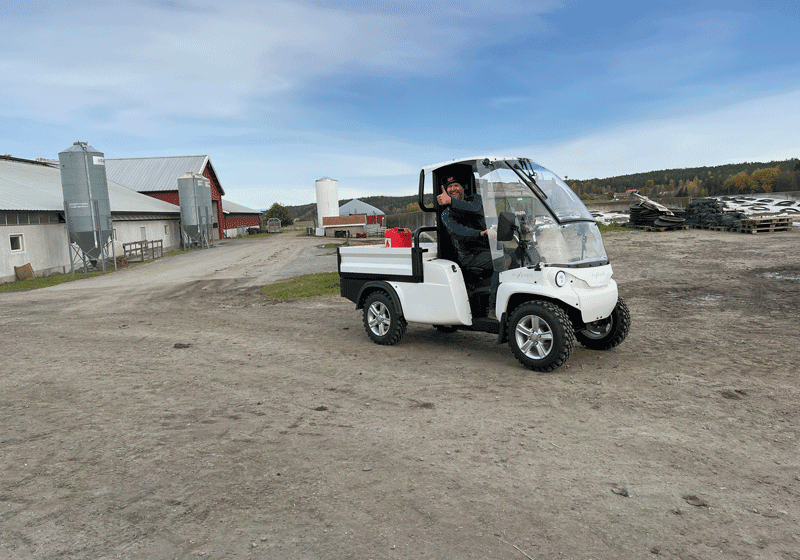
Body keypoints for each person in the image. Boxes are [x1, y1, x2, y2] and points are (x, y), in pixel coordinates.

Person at [437, 175, 499, 320]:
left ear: (462, 187)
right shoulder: (447, 214)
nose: (453, 189)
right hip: (470, 256)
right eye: (449, 187)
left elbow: (477, 209)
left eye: (456, 185)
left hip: (487, 249)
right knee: (501, 260)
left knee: (519, 254)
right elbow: (460, 232)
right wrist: (482, 233)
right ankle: (493, 307)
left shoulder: (475, 200)